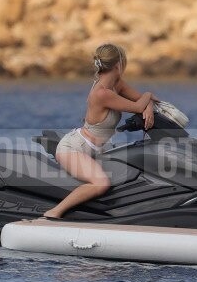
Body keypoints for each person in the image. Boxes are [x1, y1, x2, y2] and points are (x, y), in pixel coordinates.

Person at [43, 43, 158, 219]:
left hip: (99, 149)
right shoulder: (102, 93)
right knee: (101, 183)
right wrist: (148, 95)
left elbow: (140, 101)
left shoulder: (116, 85)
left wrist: (148, 105)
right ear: (118, 65)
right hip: (75, 148)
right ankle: (54, 212)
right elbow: (138, 105)